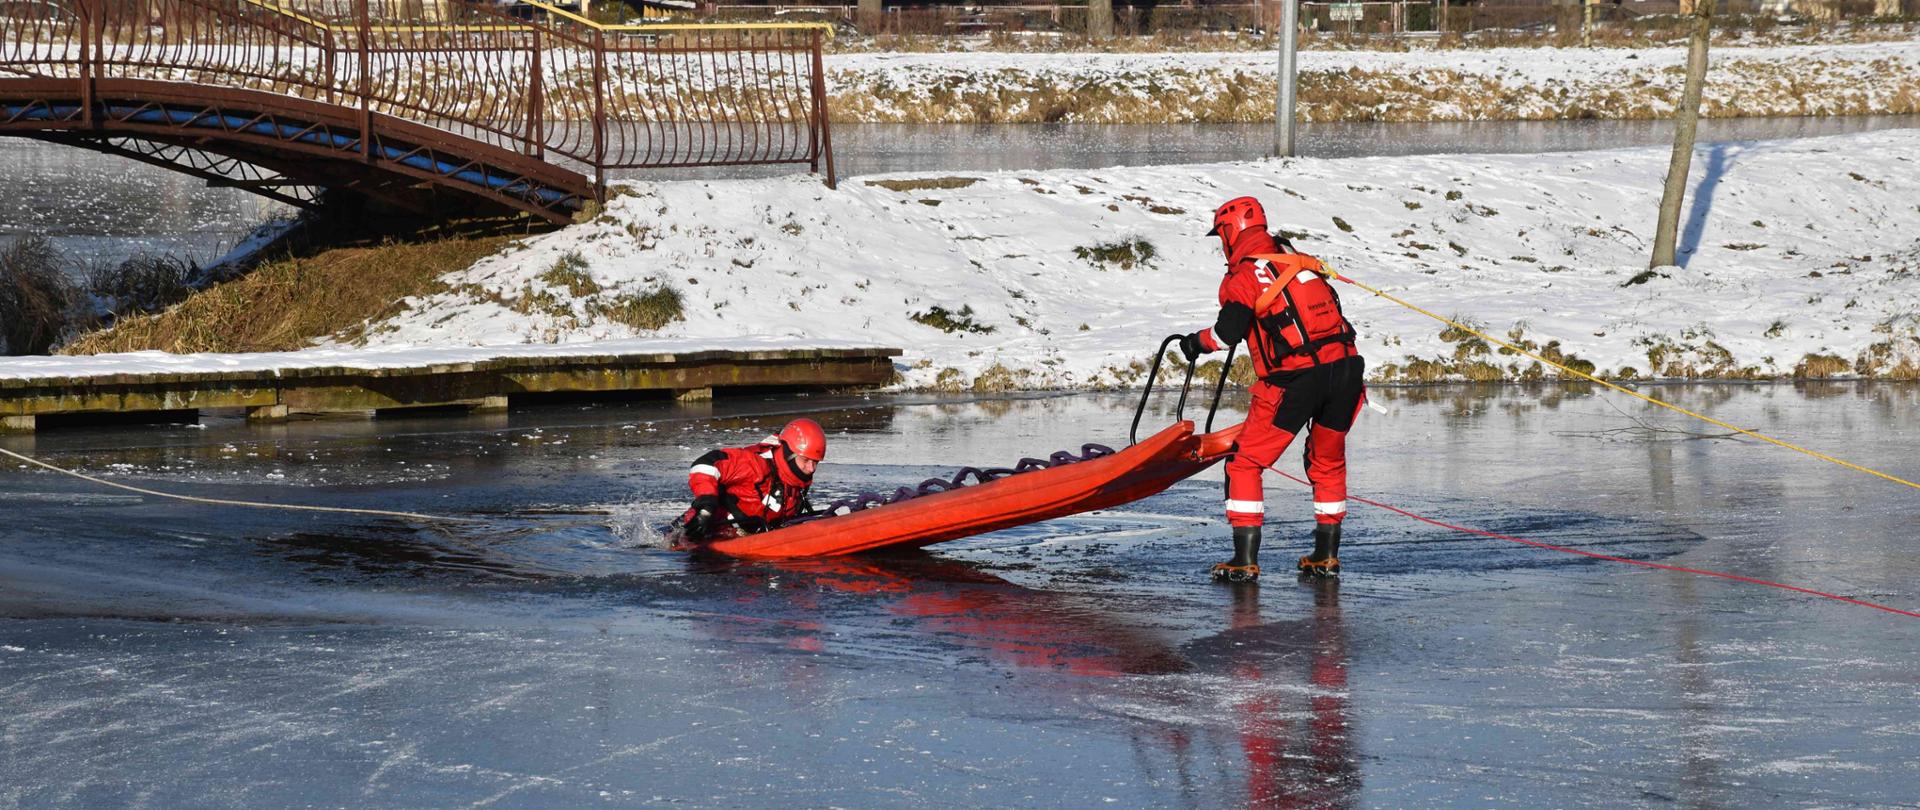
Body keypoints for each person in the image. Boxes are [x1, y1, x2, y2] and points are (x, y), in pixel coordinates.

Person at [1179, 196, 1366, 581]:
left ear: (1232, 232)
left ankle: (1244, 560)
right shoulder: (1295, 257)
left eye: (1222, 236)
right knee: (1327, 462)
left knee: (1245, 463)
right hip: (1347, 370)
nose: (1222, 244)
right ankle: (1325, 555)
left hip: (1297, 380)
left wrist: (1196, 343)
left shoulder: (1245, 275)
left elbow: (1227, 333)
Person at [672, 418, 825, 544]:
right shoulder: (753, 465)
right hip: (695, 531)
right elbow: (704, 465)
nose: (811, 468)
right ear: (789, 453)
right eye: (806, 460)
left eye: (815, 462)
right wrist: (706, 507)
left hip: (748, 539)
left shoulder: (795, 483)